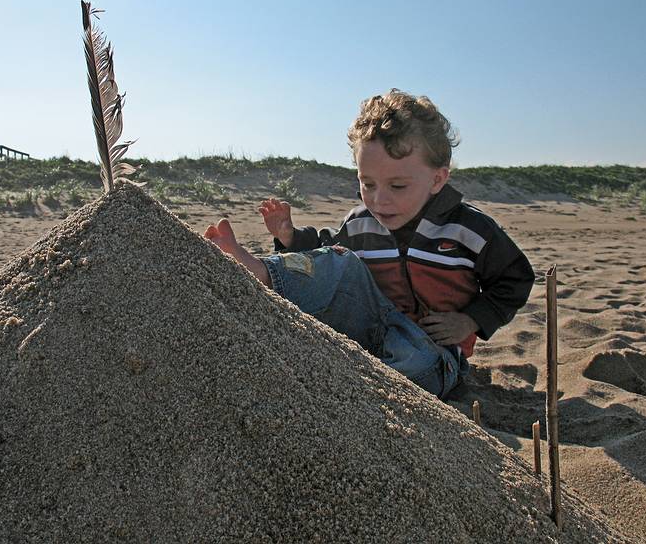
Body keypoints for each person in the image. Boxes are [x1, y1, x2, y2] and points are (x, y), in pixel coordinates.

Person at [204, 89, 534, 399]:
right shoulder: (362, 220)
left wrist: (471, 320)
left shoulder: (469, 229)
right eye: (367, 183)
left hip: (430, 346)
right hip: (365, 328)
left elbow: (515, 279)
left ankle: (358, 391)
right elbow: (327, 255)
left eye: (398, 185)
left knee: (416, 363)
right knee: (341, 261)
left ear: (437, 179)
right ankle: (261, 273)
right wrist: (290, 238)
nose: (380, 199)